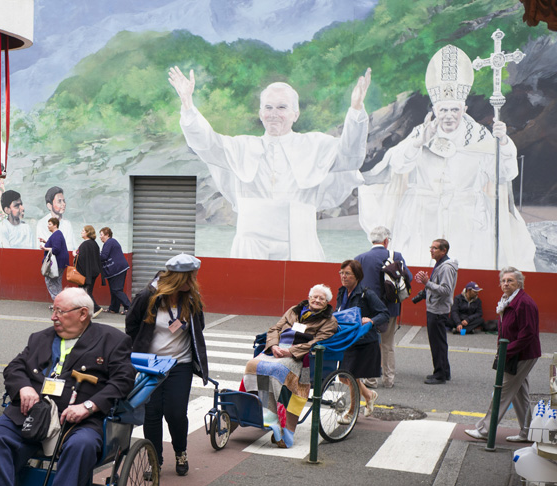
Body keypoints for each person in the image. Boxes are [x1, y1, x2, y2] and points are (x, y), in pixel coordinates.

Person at [359, 44, 536, 271]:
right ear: (435, 108)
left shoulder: (481, 136)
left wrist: (503, 143)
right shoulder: (422, 132)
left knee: (467, 269)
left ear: (464, 108)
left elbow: (505, 173)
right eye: (443, 110)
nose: (449, 116)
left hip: (467, 216)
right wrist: (418, 142)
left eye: (454, 109)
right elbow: (397, 164)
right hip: (422, 214)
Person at [168, 65, 371, 261]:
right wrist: (187, 104)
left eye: (282, 107)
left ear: (295, 114)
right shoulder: (242, 146)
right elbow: (206, 143)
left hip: (299, 240)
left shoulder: (314, 145)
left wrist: (355, 110)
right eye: (268, 107)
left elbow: (349, 156)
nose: (273, 113)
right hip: (251, 242)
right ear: (260, 113)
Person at [0, 287, 135, 486]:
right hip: (34, 414)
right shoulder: (40, 338)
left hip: (78, 420)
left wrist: (89, 406)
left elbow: (123, 381)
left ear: (83, 314)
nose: (53, 317)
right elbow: (14, 368)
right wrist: (23, 388)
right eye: (53, 310)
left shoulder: (112, 340)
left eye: (60, 311)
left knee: (81, 446)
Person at [125, 254, 208, 475]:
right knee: (152, 413)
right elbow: (131, 324)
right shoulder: (148, 297)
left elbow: (199, 327)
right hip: (151, 364)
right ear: (177, 278)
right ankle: (155, 461)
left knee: (176, 412)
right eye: (190, 278)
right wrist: (140, 349)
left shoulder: (191, 298)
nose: (193, 282)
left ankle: (181, 452)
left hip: (180, 364)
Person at [243, 284, 338, 448]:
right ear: (308, 298)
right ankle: (264, 412)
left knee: (277, 370)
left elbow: (318, 341)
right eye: (314, 296)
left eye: (321, 298)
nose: (317, 300)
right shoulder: (294, 310)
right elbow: (275, 328)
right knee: (252, 364)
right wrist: (273, 346)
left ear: (327, 302)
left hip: (300, 357)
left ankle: (275, 418)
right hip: (278, 349)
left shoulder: (329, 320)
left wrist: (291, 351)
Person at [464, 268, 541, 443]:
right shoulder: (508, 300)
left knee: (503, 390)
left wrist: (507, 351)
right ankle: (527, 432)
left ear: (519, 283)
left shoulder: (524, 303)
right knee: (519, 394)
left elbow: (528, 334)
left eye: (510, 281)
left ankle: (485, 430)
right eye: (504, 280)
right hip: (515, 352)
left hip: (521, 354)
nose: (506, 283)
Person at [355, 225, 411, 388]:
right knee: (388, 344)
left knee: (371, 343)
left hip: (368, 310)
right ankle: (389, 379)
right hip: (389, 307)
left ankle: (371, 379)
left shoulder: (360, 258)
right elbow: (409, 278)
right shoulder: (396, 256)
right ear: (386, 241)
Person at [334, 259, 389, 418]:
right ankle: (369, 395)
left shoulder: (366, 293)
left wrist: (371, 321)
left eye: (347, 274)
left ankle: (352, 412)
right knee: (344, 377)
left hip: (363, 341)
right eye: (341, 273)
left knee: (351, 376)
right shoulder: (342, 292)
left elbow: (384, 313)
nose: (343, 276)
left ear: (357, 276)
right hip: (347, 340)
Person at [415, 238, 458, 384]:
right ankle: (444, 372)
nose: (431, 250)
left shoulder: (446, 268)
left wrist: (427, 283)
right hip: (437, 308)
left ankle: (439, 375)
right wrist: (427, 283)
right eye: (431, 247)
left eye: (435, 248)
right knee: (440, 342)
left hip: (438, 311)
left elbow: (446, 290)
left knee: (437, 343)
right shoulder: (441, 264)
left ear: (443, 250)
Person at [98, 227, 131, 314]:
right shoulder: (111, 242)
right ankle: (113, 308)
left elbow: (104, 256)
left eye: (101, 235)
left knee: (116, 290)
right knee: (114, 290)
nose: (100, 237)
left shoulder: (109, 242)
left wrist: (94, 255)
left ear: (107, 235)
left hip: (117, 269)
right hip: (118, 269)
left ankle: (130, 308)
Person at [73, 225, 102, 313]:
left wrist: (75, 254)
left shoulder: (85, 244)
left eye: (83, 231)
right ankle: (85, 310)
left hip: (86, 273)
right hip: (94, 271)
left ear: (87, 233)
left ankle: (96, 308)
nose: (81, 232)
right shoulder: (94, 244)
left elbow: (83, 259)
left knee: (85, 292)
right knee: (86, 291)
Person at [40, 217, 69, 300]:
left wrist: (44, 248)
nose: (48, 226)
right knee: (57, 281)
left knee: (50, 281)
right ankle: (61, 302)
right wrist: (46, 242)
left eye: (50, 224)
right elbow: (55, 245)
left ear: (55, 225)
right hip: (61, 262)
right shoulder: (58, 234)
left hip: (57, 263)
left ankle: (57, 301)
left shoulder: (56, 235)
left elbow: (56, 249)